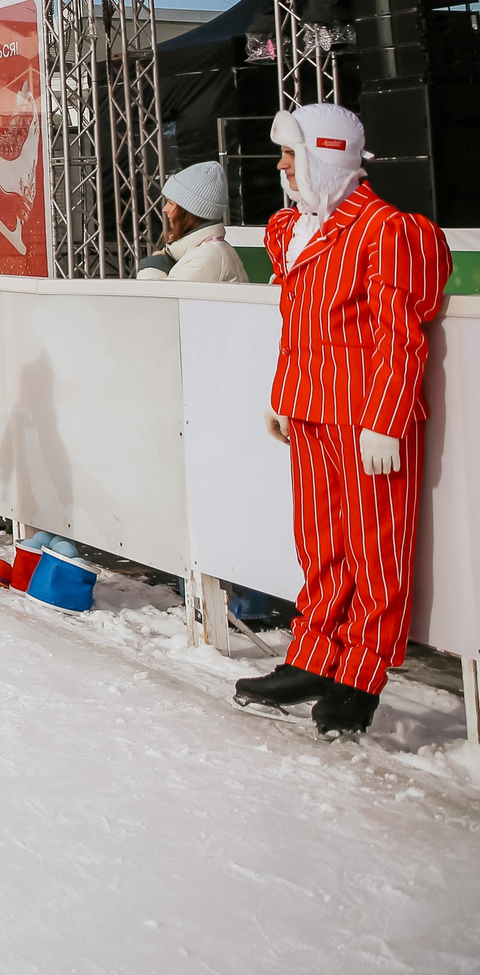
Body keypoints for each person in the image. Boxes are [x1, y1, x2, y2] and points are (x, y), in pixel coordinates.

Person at [233, 105, 450, 737]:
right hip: (311, 412)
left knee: (376, 550)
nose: (280, 168)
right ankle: (315, 656)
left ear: (325, 157)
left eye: (291, 155)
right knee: (321, 541)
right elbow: (299, 331)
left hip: (364, 422)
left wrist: (386, 418)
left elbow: (400, 338)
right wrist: (284, 396)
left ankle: (359, 675)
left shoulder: (387, 232)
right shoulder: (295, 230)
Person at [137, 161, 247, 283]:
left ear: (189, 211)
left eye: (170, 203)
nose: (164, 209)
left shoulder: (206, 258)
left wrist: (152, 265)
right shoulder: (203, 253)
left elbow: (159, 299)